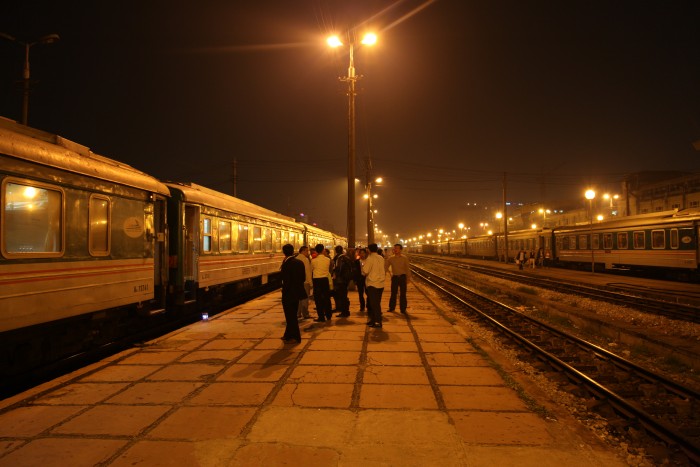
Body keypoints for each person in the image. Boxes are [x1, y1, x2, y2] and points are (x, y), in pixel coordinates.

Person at [280, 244, 306, 343]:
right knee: (292, 314)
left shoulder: (286, 264)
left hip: (289, 293)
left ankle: (296, 336)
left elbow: (286, 281)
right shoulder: (299, 262)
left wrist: (284, 291)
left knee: (290, 316)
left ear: (284, 252)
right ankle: (287, 335)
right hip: (297, 292)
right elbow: (303, 278)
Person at [362, 243, 386, 328]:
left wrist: (362, 265)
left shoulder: (370, 258)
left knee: (374, 304)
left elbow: (365, 271)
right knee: (376, 303)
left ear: (368, 250)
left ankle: (378, 321)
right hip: (381, 284)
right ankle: (373, 320)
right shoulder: (381, 257)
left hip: (373, 284)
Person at [385, 243, 411, 314]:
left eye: (397, 248)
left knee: (403, 294)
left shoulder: (404, 258)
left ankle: (403, 309)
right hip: (395, 277)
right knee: (393, 293)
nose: (395, 249)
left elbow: (407, 268)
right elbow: (385, 267)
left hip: (403, 277)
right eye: (395, 248)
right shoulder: (391, 258)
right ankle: (391, 307)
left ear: (401, 249)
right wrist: (383, 274)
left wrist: (408, 278)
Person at [311, 243, 332, 322]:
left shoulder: (313, 261)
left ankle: (321, 317)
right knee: (327, 298)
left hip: (316, 280)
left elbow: (311, 270)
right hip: (325, 280)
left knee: (318, 299)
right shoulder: (328, 260)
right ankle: (329, 315)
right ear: (323, 250)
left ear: (316, 251)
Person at [331, 245, 352, 317]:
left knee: (342, 296)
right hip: (346, 280)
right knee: (344, 295)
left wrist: (335, 276)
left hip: (340, 280)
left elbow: (338, 269)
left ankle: (344, 312)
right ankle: (345, 310)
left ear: (336, 251)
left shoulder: (338, 258)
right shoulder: (346, 257)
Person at [296, 245, 312, 321]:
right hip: (305, 282)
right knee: (305, 299)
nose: (308, 252)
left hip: (297, 282)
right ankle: (305, 314)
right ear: (303, 251)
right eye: (307, 251)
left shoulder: (296, 258)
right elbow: (308, 272)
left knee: (298, 299)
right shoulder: (305, 259)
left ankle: (298, 313)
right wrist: (311, 283)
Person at [354, 248, 368, 312]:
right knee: (360, 293)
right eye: (361, 253)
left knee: (368, 293)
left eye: (363, 253)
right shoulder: (357, 262)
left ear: (365, 254)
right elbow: (355, 271)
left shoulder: (368, 261)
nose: (362, 254)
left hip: (367, 278)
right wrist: (355, 280)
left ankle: (368, 305)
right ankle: (362, 306)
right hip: (360, 279)